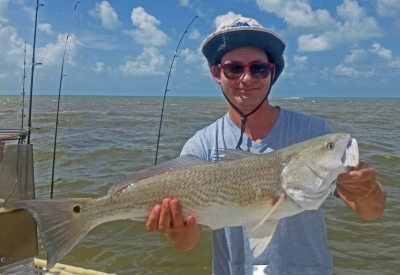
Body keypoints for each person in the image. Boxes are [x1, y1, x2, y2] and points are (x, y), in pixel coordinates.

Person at [146, 17, 386, 274]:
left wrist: (367, 189)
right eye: (234, 69)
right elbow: (187, 243)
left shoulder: (314, 132)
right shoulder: (201, 146)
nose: (246, 78)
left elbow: (370, 213)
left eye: (258, 68)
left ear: (272, 72)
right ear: (217, 73)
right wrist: (175, 231)